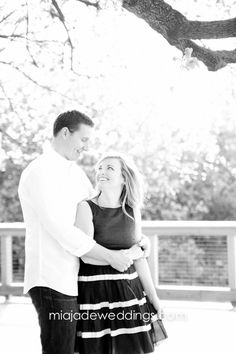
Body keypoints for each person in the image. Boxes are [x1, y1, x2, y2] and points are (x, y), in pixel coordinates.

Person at [18, 110, 149, 354]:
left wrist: (139, 240)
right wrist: (111, 257)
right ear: (66, 133)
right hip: (52, 279)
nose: (86, 147)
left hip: (77, 279)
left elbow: (100, 215)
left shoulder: (75, 174)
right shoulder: (40, 171)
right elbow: (59, 227)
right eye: (84, 140)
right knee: (61, 349)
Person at [74, 153, 167, 354]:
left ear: (124, 178)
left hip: (129, 293)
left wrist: (154, 297)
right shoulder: (86, 207)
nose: (102, 172)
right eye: (99, 168)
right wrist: (128, 254)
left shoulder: (132, 210)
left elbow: (140, 259)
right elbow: (86, 254)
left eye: (110, 168)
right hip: (94, 294)